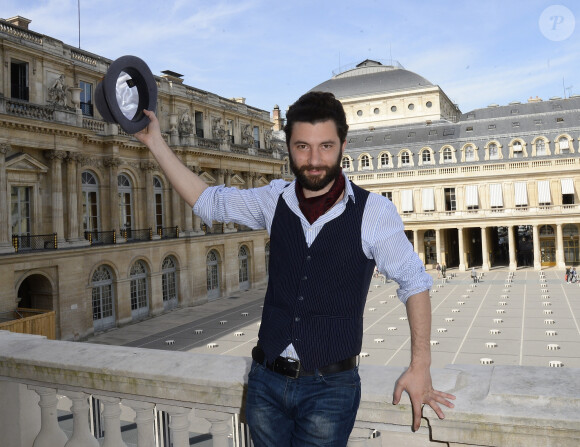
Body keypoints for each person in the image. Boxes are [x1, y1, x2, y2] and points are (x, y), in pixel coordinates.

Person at [135, 91, 455, 446]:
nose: (314, 159)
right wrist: (155, 142)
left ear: (343, 146)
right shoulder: (273, 198)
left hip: (330, 389)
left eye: (326, 146)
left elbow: (414, 283)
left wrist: (420, 364)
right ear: (288, 146)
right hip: (266, 383)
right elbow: (209, 201)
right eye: (303, 146)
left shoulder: (374, 212)